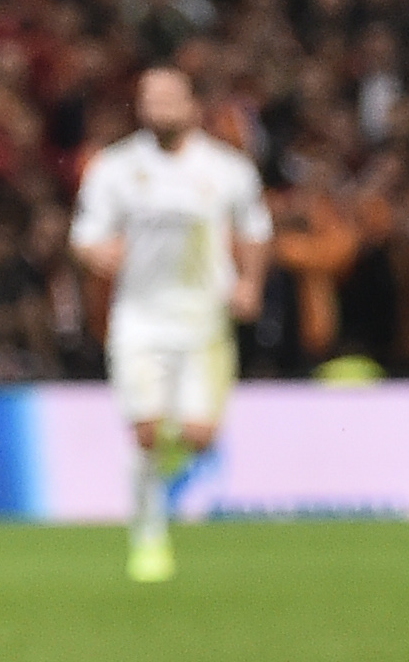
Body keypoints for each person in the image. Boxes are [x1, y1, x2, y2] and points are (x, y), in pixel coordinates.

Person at [69, 66, 272, 583]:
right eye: (149, 99)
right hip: (139, 317)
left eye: (168, 98)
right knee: (147, 431)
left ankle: (157, 486)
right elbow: (86, 235)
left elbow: (254, 231)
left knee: (200, 436)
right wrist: (98, 255)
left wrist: (250, 282)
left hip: (205, 320)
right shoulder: (114, 168)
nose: (158, 107)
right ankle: (149, 536)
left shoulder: (228, 169)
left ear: (192, 105)